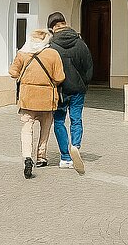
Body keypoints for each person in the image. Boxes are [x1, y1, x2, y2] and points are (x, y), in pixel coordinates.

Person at [9, 28, 66, 179]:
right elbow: (60, 77)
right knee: (45, 128)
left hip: (27, 97)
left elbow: (13, 72)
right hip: (47, 98)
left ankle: (27, 156)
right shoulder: (53, 54)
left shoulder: (23, 53)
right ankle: (41, 157)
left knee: (27, 128)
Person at [48, 12, 94, 174]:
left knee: (59, 121)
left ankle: (65, 157)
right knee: (76, 119)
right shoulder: (80, 43)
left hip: (60, 90)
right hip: (78, 90)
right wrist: (83, 83)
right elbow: (89, 67)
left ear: (52, 28)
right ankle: (75, 145)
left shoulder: (51, 46)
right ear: (65, 23)